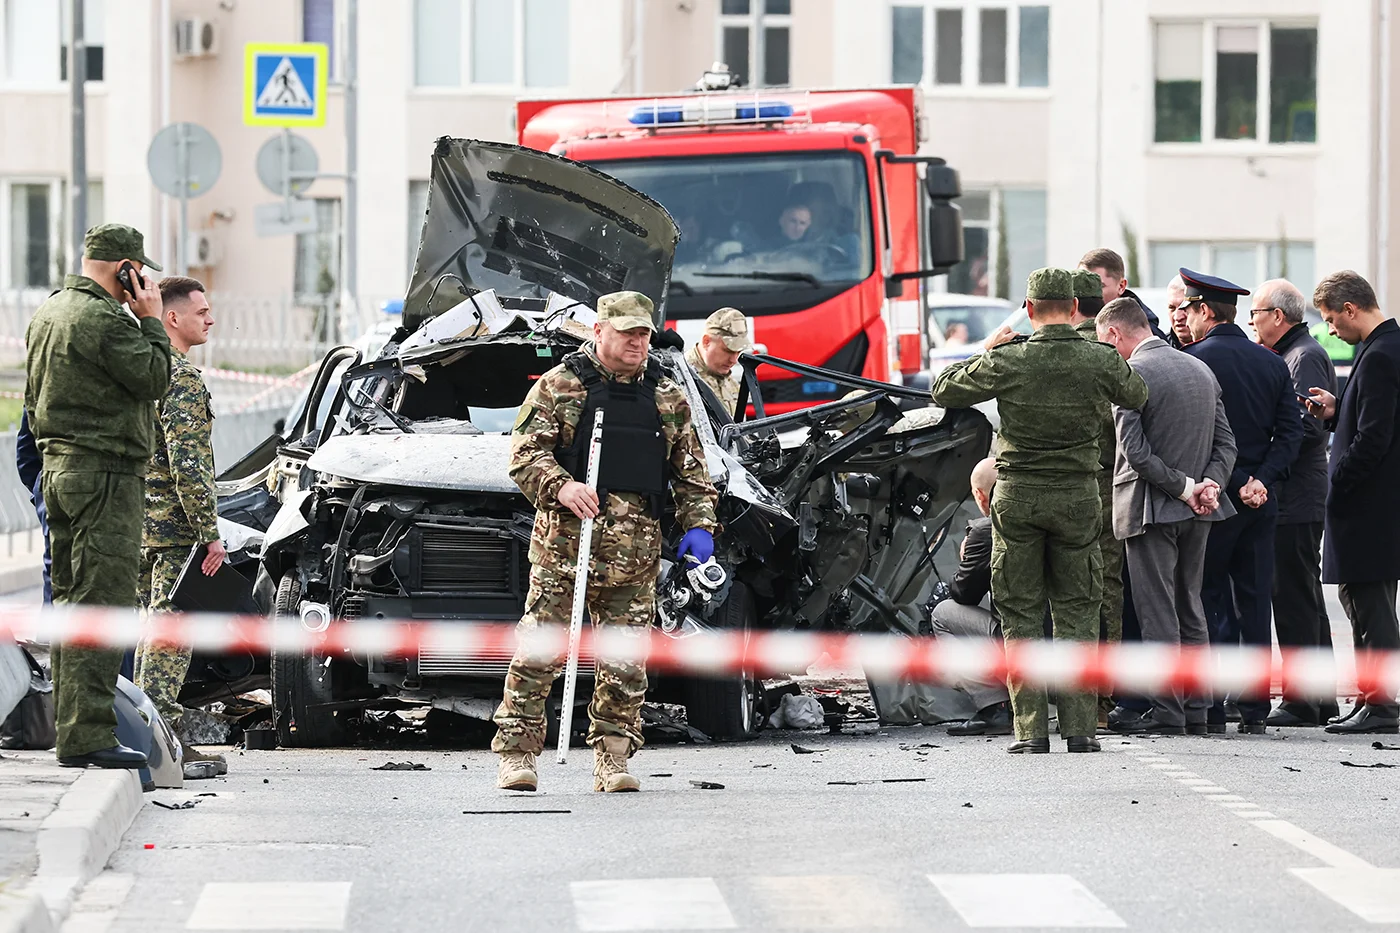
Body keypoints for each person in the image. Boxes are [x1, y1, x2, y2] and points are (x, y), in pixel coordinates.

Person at [493, 291, 720, 791]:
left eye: (644, 334)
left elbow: (692, 475)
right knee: (538, 653)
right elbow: (524, 454)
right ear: (600, 331)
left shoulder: (667, 396)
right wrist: (561, 485)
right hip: (564, 552)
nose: (638, 343)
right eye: (627, 333)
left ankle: (613, 759)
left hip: (634, 558)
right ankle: (517, 755)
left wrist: (700, 527)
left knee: (624, 663)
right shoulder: (560, 386)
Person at [932, 268, 1149, 754]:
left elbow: (943, 389)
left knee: (1021, 612)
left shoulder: (1010, 358)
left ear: (1029, 309)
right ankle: (1080, 729)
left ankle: (1030, 731)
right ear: (1075, 308)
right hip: (1078, 496)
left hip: (1018, 497)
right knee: (1078, 611)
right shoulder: (1098, 359)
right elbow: (1137, 394)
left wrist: (987, 347)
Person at [25, 223, 171, 770]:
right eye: (141, 272)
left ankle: (72, 729)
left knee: (69, 606)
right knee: (102, 605)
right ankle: (87, 736)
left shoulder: (51, 311)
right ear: (125, 269)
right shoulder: (107, 319)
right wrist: (152, 318)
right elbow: (156, 376)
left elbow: (33, 401)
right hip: (105, 474)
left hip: (59, 471)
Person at [1095, 299, 1237, 734]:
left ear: (1116, 334)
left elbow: (1134, 453)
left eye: (1105, 343)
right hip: (1199, 511)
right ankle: (1197, 710)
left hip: (1150, 508)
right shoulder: (1200, 369)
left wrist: (1184, 487)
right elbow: (1226, 444)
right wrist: (1208, 485)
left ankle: (1168, 713)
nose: (1107, 352)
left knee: (1158, 612)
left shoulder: (1131, 375)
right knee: (1190, 608)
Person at [1180, 268, 1303, 734]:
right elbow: (1291, 433)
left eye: (1189, 310)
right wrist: (1261, 481)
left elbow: (1197, 439)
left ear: (1205, 311)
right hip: (1258, 501)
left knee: (1207, 599)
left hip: (1211, 500)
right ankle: (1253, 710)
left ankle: (1212, 708)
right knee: (1255, 603)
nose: (1185, 319)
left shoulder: (1194, 361)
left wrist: (1230, 483)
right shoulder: (1272, 362)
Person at [133, 276, 228, 776]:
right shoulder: (181, 377)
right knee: (170, 638)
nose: (210, 318)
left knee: (150, 631)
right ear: (173, 318)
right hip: (174, 531)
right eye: (202, 311)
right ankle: (162, 745)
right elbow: (188, 464)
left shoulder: (142, 368)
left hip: (137, 522)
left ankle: (146, 735)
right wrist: (208, 531)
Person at [1304, 271, 1400, 735]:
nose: (1329, 330)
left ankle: (1383, 705)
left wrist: (1337, 482)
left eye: (1330, 319)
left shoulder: (1382, 354)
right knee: (1362, 604)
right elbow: (1368, 417)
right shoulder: (1379, 348)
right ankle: (1371, 700)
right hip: (1371, 505)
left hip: (1368, 505)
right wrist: (1336, 411)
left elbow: (1375, 436)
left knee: (1371, 607)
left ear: (1350, 309)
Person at [1250, 279, 1340, 727]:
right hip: (1294, 494)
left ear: (1278, 317)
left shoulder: (1302, 357)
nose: (1251, 321)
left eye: (1256, 313)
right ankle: (1319, 700)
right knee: (1299, 595)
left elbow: (1303, 428)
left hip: (1296, 495)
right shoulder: (1289, 354)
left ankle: (1304, 700)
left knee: (1292, 597)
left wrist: (1262, 460)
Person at [1069, 270, 1120, 721]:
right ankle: (1109, 696)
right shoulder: (1107, 353)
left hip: (1067, 482)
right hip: (1106, 479)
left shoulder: (1046, 350)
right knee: (1109, 588)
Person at [937, 457, 1012, 737]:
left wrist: (967, 555)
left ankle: (995, 707)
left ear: (980, 495)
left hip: (1021, 641)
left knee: (943, 614)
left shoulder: (986, 530)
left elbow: (964, 594)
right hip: (1069, 642)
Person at [1078, 248, 1168, 341]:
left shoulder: (1145, 333)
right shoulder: (1067, 318)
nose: (1085, 293)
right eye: (1080, 285)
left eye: (1097, 286)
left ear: (1121, 286)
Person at [684, 307, 750, 416]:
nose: (733, 360)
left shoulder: (730, 383)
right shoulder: (680, 378)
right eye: (727, 351)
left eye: (738, 352)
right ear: (706, 342)